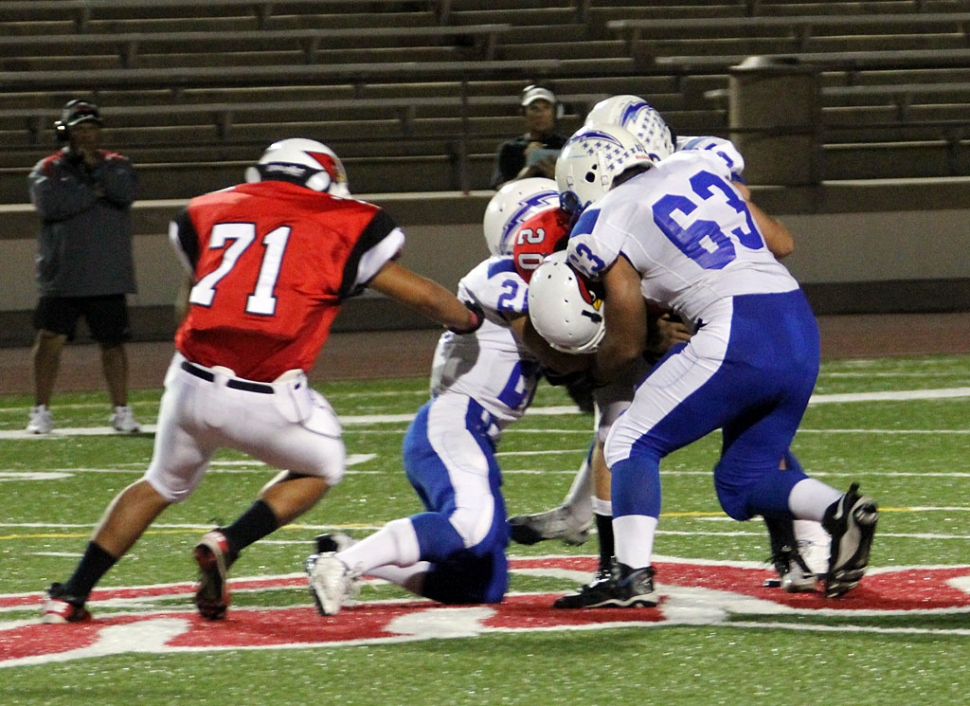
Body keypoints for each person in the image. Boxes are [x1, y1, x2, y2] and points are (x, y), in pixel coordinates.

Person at [40, 138, 484, 624]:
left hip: (188, 382)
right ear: (322, 178)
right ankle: (229, 542)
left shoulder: (208, 210)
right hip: (265, 395)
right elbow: (418, 294)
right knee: (325, 463)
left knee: (160, 483)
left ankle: (72, 592)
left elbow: (188, 300)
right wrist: (466, 319)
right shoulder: (339, 222)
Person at [529, 119, 878, 606]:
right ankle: (838, 510)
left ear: (587, 177)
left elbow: (627, 342)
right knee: (743, 482)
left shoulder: (603, 217)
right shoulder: (696, 167)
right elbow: (780, 241)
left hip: (738, 326)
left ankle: (629, 576)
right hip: (796, 321)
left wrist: (595, 373)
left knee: (630, 438)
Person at [304, 178, 581, 616]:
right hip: (453, 425)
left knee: (481, 585)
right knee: (470, 526)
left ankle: (348, 552)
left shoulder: (533, 285)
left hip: (469, 436)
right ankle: (343, 565)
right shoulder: (501, 277)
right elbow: (566, 350)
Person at [26, 99, 141, 434]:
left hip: (108, 273)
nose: (88, 135)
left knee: (113, 345)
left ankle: (121, 410)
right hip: (63, 274)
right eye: (80, 129)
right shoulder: (47, 169)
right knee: (50, 341)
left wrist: (95, 177)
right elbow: (52, 205)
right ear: (67, 133)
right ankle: (41, 410)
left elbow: (125, 193)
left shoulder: (118, 164)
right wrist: (94, 189)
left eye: (93, 128)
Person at [490, 84, 567, 190]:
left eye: (545, 108)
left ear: (554, 113)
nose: (540, 114)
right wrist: (527, 172)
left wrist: (556, 176)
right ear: (523, 114)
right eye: (534, 108)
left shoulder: (567, 147)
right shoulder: (509, 148)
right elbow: (500, 190)